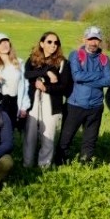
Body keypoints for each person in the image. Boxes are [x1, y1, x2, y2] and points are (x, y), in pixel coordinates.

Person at [58, 25, 110, 165]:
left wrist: (86, 79)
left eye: (96, 40)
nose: (93, 43)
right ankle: (59, 162)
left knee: (90, 139)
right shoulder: (76, 55)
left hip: (95, 106)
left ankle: (85, 164)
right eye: (90, 39)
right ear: (84, 39)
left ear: (100, 41)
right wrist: (99, 75)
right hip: (75, 104)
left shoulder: (104, 59)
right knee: (66, 137)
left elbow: (108, 80)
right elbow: (77, 76)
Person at [22, 31, 72, 168]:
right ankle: (27, 165)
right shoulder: (33, 59)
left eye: (56, 42)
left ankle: (44, 166)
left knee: (48, 135)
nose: (53, 45)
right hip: (33, 101)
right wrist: (46, 72)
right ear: (42, 43)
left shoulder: (62, 63)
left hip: (52, 102)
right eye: (49, 42)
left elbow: (64, 86)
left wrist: (46, 88)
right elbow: (26, 74)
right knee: (30, 134)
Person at [0, 33, 30, 129]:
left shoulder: (19, 62)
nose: (4, 45)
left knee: (9, 131)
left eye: (5, 42)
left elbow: (25, 85)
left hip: (14, 103)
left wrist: (24, 107)